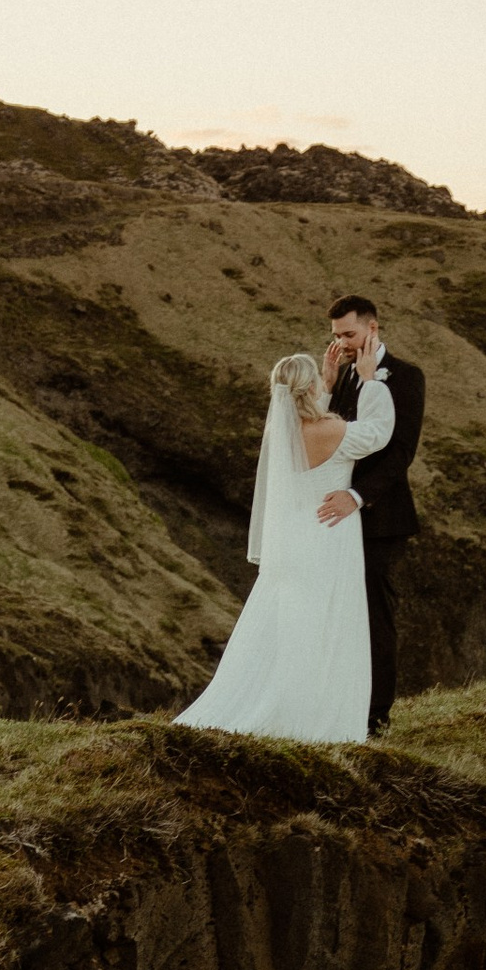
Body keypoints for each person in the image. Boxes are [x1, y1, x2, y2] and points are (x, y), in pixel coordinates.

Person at [172, 351, 371, 742]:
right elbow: (378, 434)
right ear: (309, 386)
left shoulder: (282, 433)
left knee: (292, 628)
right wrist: (372, 381)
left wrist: (327, 387)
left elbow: (311, 438)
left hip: (295, 538)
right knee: (328, 626)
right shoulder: (329, 428)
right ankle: (315, 715)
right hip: (327, 535)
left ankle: (282, 700)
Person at [319, 295, 426, 733]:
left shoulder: (407, 376)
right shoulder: (342, 373)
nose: (342, 343)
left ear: (372, 329)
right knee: (339, 613)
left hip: (380, 518)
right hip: (338, 518)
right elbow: (326, 438)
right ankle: (341, 705)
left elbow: (401, 452)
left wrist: (358, 496)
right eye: (336, 336)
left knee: (374, 615)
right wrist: (327, 385)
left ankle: (375, 717)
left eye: (349, 334)